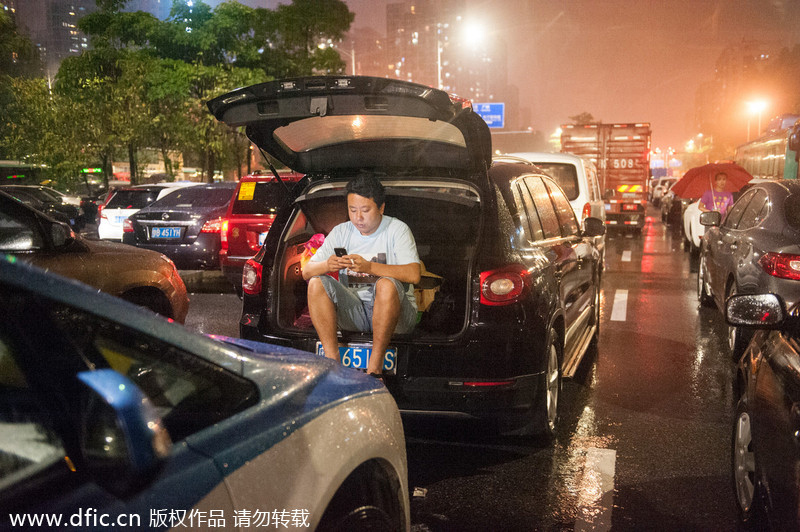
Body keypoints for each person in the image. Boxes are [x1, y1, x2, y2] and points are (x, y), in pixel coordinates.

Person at [302, 173, 421, 379]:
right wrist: (327, 264)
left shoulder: (397, 230)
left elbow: (414, 274)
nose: (358, 217)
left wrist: (369, 267)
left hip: (397, 317)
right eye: (352, 210)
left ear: (381, 208)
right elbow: (306, 271)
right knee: (316, 283)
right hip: (356, 313)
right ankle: (333, 365)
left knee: (386, 285)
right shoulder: (341, 232)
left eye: (365, 210)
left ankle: (374, 369)